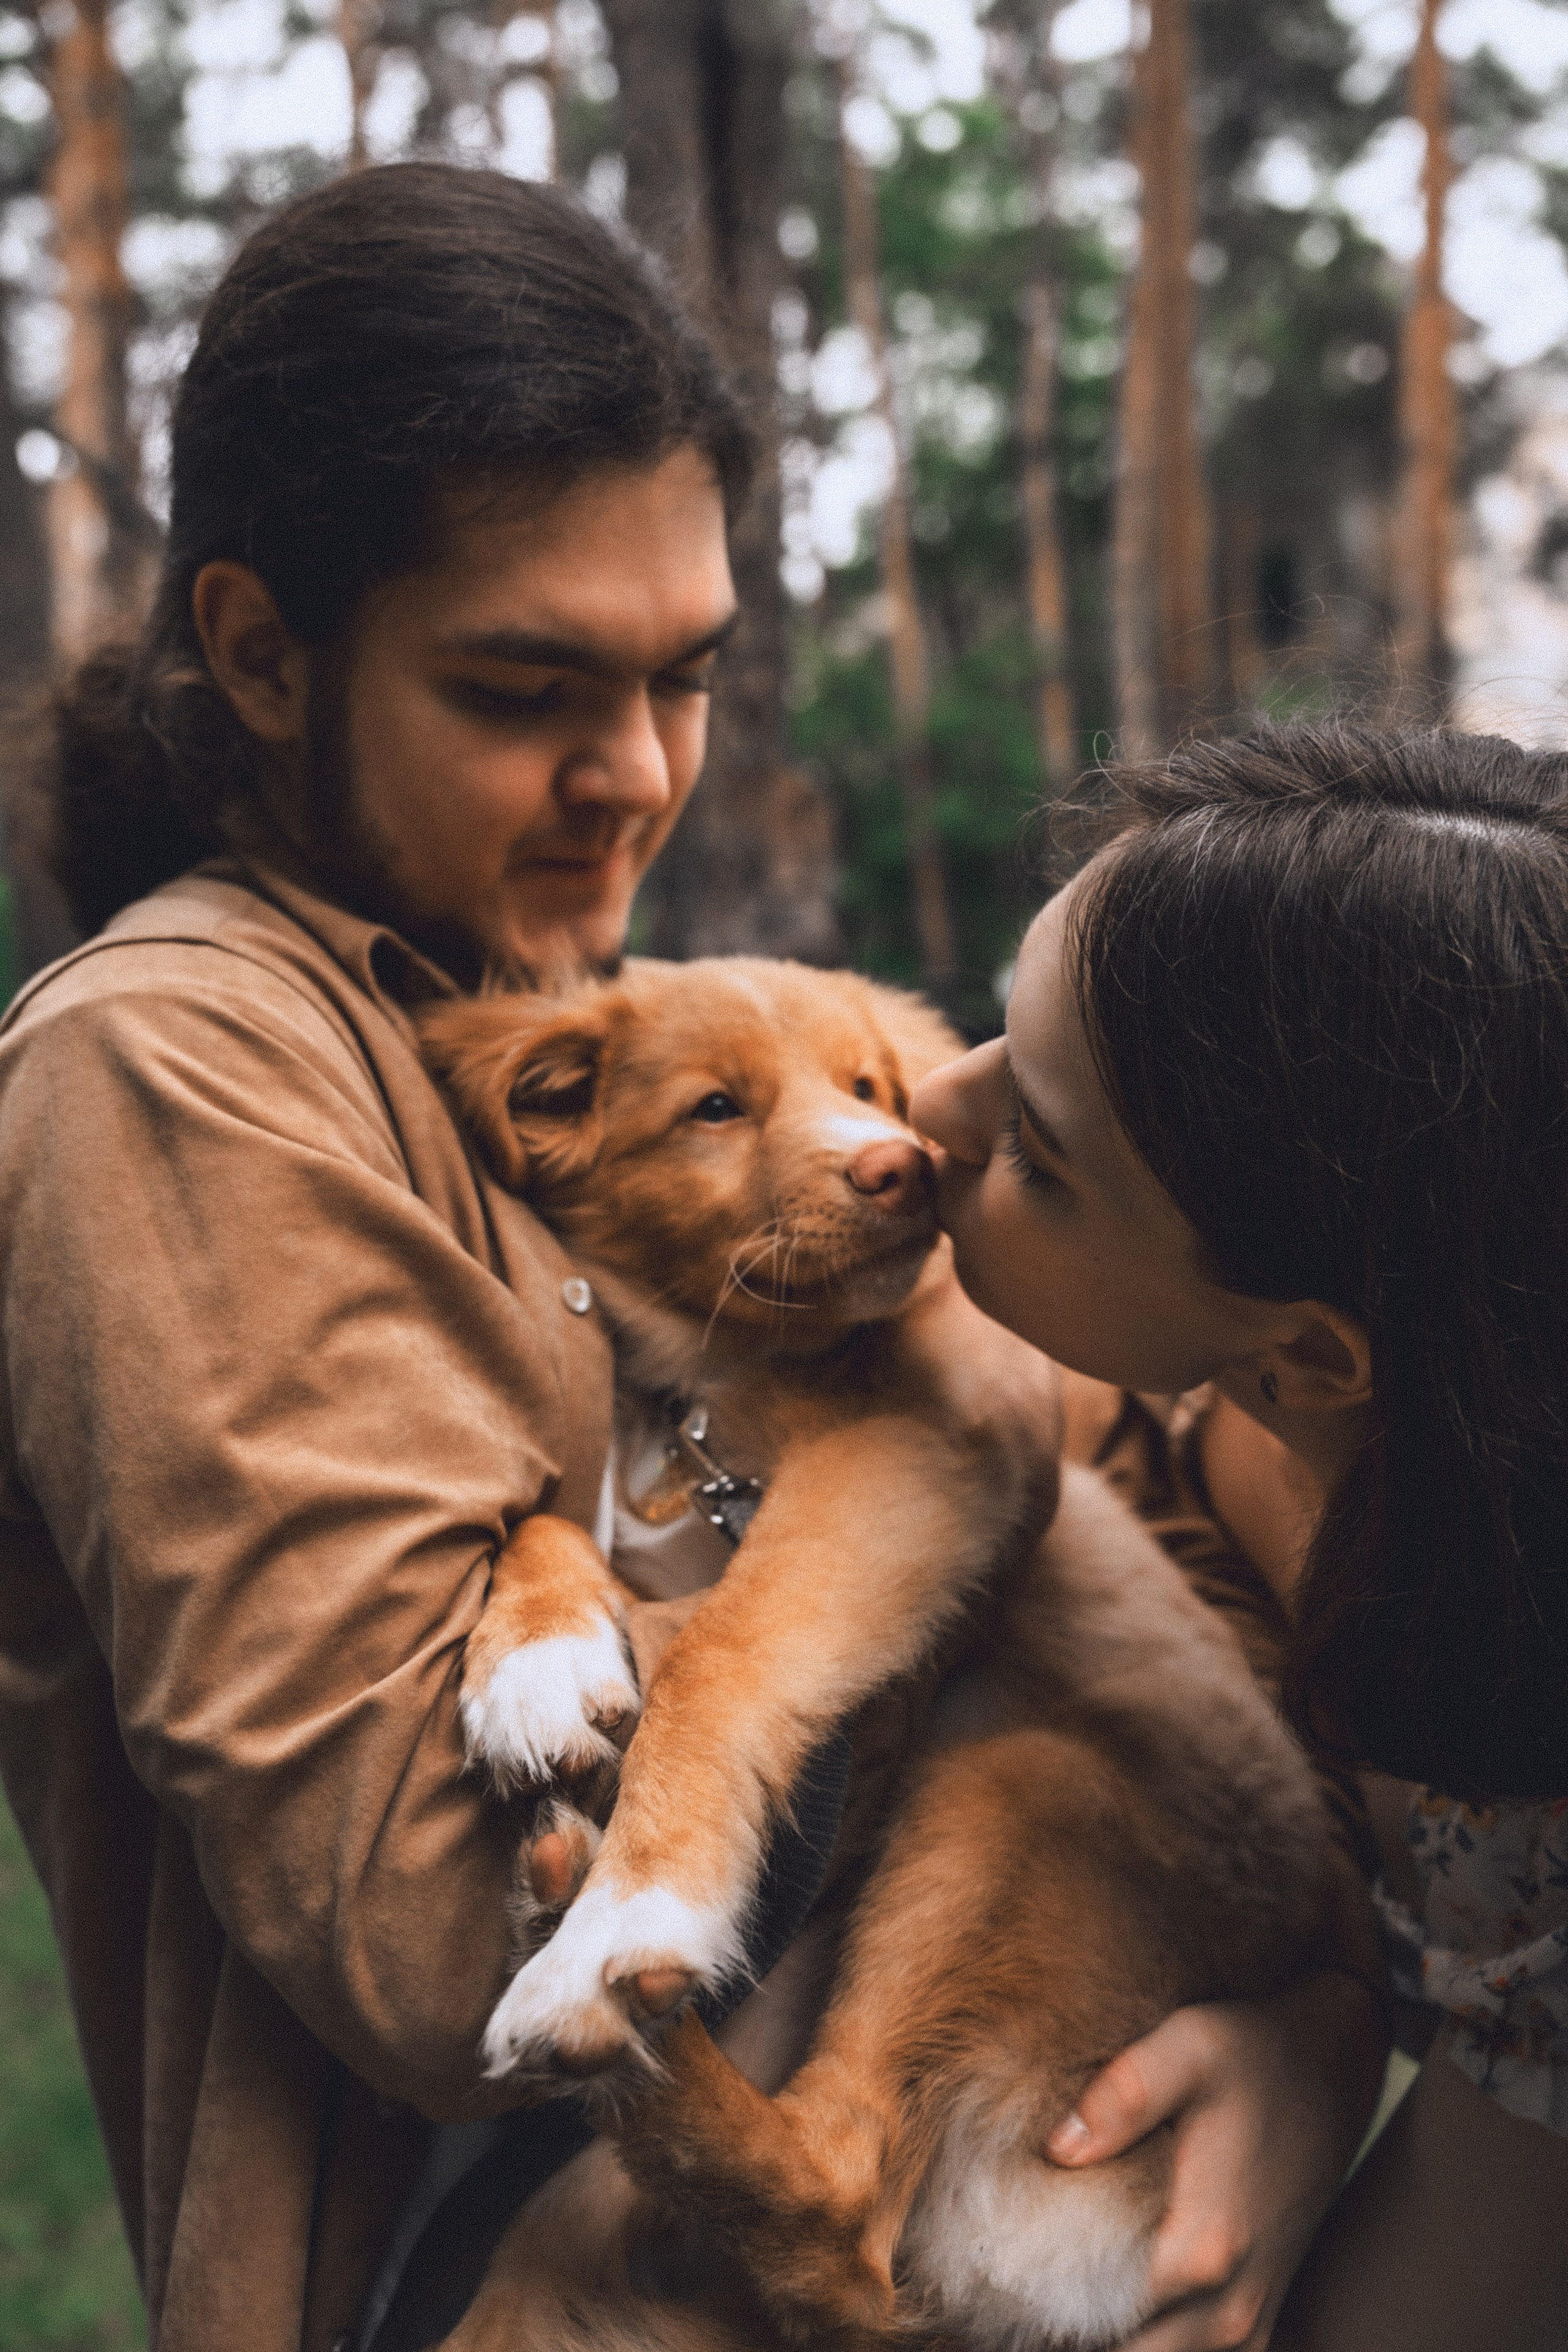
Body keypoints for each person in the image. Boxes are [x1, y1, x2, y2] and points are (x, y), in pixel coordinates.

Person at [0, 158, 1057, 2352]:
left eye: (685, 677)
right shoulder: (178, 1062)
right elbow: (434, 1930)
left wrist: (1301, 2034)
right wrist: (961, 1460)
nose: (639, 776)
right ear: (261, 651)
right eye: (525, 689)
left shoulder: (531, 1016)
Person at [911, 720, 1568, 2352]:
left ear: (1306, 1357)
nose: (934, 1101)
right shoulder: (1356, 1436)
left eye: (1043, 1162)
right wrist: (1318, 2028)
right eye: (997, 1030)